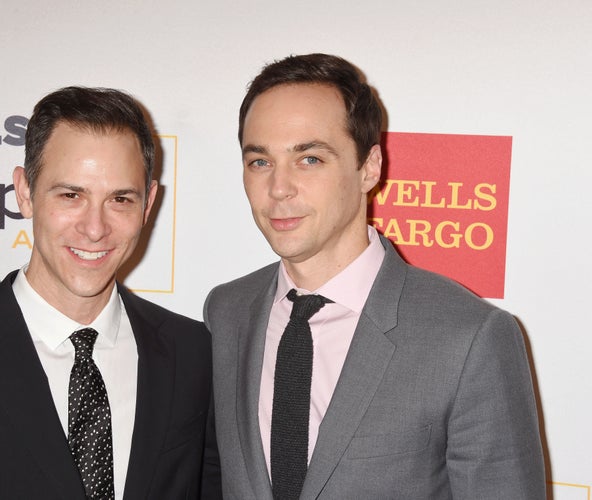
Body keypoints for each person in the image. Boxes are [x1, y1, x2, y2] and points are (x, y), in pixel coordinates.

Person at [204, 54, 545, 499]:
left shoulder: (470, 338)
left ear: (369, 167)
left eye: (309, 159)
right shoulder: (226, 312)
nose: (279, 188)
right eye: (260, 162)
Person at [0, 86, 220, 499]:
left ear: (148, 205)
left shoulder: (195, 353)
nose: (95, 228)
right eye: (71, 195)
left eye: (120, 199)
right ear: (24, 192)